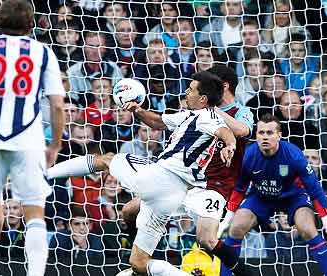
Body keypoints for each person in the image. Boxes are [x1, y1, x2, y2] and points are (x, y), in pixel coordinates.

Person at [46, 71, 249, 276]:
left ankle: (46, 174)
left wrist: (230, 145)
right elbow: (157, 121)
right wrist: (137, 110)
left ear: (203, 99)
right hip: (170, 194)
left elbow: (225, 132)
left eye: (190, 90)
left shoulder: (208, 116)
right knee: (139, 263)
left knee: (106, 159)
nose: (186, 92)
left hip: (161, 177)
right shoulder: (189, 115)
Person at [0, 1, 66, 276]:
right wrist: (54, 144)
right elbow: (56, 104)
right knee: (34, 211)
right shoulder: (43, 53)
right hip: (28, 137)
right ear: (31, 25)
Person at [218, 113, 327, 276]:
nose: (264, 137)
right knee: (236, 228)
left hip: (293, 196)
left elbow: (315, 190)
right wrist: (225, 221)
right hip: (261, 196)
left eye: (269, 133)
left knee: (307, 229)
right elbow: (239, 189)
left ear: (279, 135)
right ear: (256, 135)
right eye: (261, 133)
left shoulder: (293, 155)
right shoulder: (248, 155)